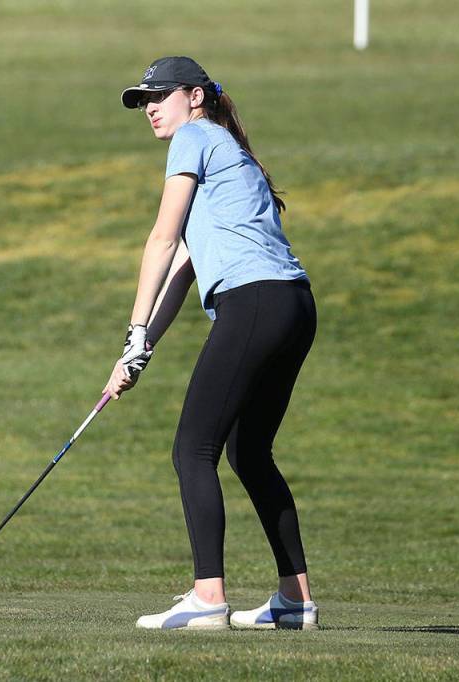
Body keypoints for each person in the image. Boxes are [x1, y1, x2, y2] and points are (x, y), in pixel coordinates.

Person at [103, 56, 319, 631]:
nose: (149, 107)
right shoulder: (226, 152)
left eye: (159, 96)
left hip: (254, 302)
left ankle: (207, 600)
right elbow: (181, 266)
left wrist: (131, 332)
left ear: (195, 96)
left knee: (192, 450)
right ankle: (295, 600)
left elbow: (161, 237)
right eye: (141, 101)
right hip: (294, 306)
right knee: (248, 453)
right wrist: (141, 346)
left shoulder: (194, 138)